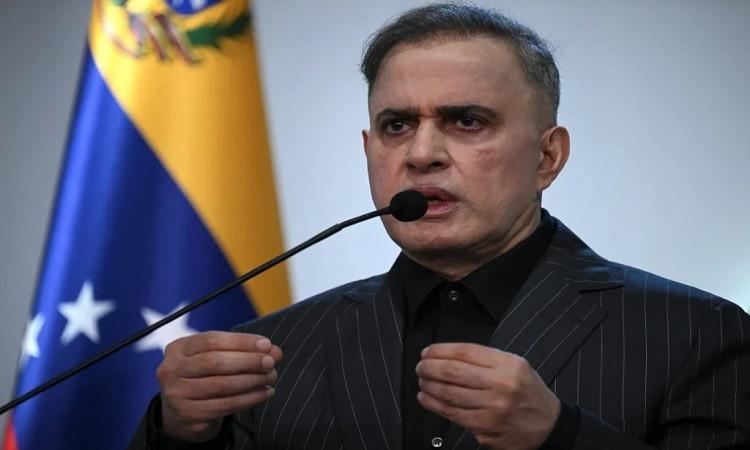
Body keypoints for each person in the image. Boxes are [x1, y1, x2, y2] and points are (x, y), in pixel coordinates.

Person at [128, 3, 750, 449]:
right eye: (397, 125)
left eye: (467, 121)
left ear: (547, 157)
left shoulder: (697, 334)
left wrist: (560, 435)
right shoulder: (272, 350)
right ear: (369, 149)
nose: (421, 153)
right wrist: (180, 433)